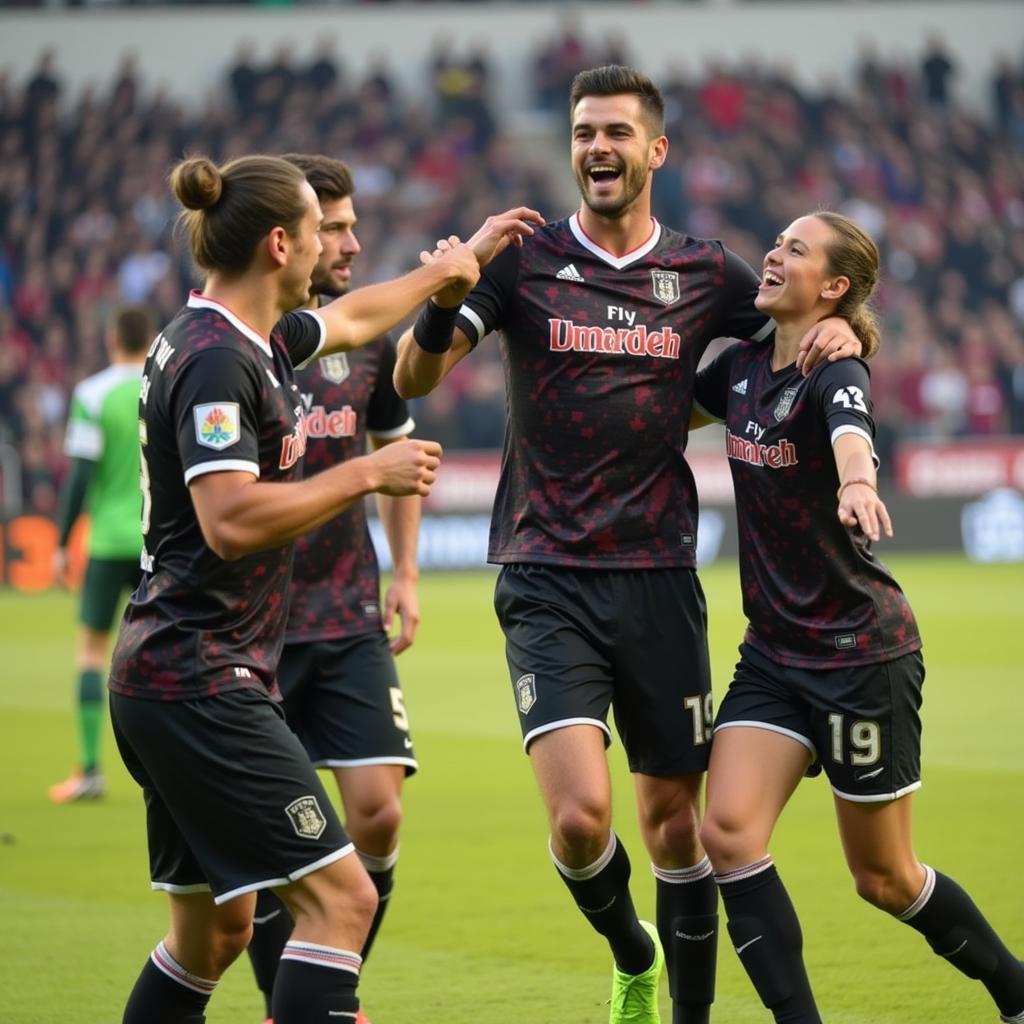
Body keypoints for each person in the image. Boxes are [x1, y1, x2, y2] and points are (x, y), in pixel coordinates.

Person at [394, 65, 861, 1024]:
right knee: (578, 821)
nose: (596, 148)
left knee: (673, 828)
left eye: (615, 132)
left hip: (657, 576)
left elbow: (799, 319)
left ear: (656, 150)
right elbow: (411, 376)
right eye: (582, 133)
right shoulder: (524, 261)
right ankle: (629, 949)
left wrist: (848, 333)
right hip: (545, 570)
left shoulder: (705, 271)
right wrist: (448, 291)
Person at [107, 152, 540, 1024]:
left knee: (213, 938)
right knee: (343, 900)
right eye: (318, 231)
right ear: (280, 244)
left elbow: (351, 319)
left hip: (175, 670)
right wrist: (364, 475)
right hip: (199, 676)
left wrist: (458, 265)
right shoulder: (215, 365)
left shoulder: (245, 335)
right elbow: (228, 519)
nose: (329, 248)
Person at [692, 211, 1024, 1024]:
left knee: (884, 880)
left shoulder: (836, 368)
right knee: (728, 836)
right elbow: (656, 408)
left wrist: (858, 482)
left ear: (835, 289)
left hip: (858, 654)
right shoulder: (735, 370)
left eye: (795, 249)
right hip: (772, 655)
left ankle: (1016, 991)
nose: (772, 253)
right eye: (777, 241)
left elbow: (851, 428)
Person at [243, 152, 422, 1024]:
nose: (349, 242)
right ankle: (302, 1003)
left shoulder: (369, 348)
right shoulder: (254, 344)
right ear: (292, 236)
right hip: (256, 629)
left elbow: (397, 457)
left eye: (354, 226)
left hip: (348, 610)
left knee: (379, 816)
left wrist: (410, 573)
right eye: (335, 227)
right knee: (275, 851)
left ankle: (326, 985)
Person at [49, 304, 150, 803]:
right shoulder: (164, 381)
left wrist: (65, 541)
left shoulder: (92, 393)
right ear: (148, 338)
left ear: (113, 338)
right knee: (166, 652)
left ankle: (90, 770)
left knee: (91, 652)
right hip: (159, 540)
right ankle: (174, 770)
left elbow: (79, 476)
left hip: (108, 541)